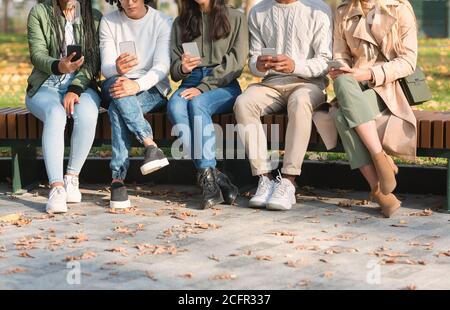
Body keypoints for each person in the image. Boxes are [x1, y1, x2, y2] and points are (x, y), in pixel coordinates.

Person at [234, 0, 332, 211]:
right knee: (244, 103)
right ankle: (264, 179)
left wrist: (295, 65)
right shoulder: (258, 12)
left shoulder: (318, 9)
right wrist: (257, 65)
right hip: (272, 84)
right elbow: (253, 60)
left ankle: (288, 181)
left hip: (309, 83)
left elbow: (325, 61)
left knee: (300, 101)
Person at [330, 0, 418, 217]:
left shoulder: (399, 8)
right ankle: (382, 164)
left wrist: (369, 74)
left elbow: (408, 61)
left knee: (342, 116)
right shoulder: (344, 11)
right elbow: (340, 55)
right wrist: (342, 69)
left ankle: (378, 188)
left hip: (389, 87)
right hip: (353, 87)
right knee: (342, 84)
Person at [167, 0, 248, 209]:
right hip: (190, 81)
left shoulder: (236, 18)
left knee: (197, 104)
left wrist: (203, 87)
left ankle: (209, 181)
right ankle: (213, 175)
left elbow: (236, 63)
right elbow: (175, 72)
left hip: (224, 83)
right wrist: (183, 67)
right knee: (174, 107)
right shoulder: (180, 22)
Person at [26, 0, 102, 213]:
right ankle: (57, 187)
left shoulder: (92, 16)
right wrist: (59, 66)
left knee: (87, 113)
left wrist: (75, 88)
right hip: (46, 84)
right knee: (56, 114)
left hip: (81, 86)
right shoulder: (40, 13)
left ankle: (71, 178)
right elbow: (37, 54)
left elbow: (93, 61)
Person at [101, 0, 172, 209]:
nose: (130, 2)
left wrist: (137, 84)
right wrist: (116, 68)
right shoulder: (108, 22)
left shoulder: (162, 21)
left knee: (117, 107)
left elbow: (161, 67)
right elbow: (106, 68)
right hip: (116, 82)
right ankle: (150, 145)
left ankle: (117, 180)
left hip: (151, 88)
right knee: (118, 87)